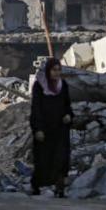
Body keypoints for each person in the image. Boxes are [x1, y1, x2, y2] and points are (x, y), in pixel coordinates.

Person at [30, 57, 73, 198]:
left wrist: (68, 115)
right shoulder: (39, 86)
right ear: (48, 71)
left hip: (60, 129)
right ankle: (36, 186)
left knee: (60, 158)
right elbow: (36, 108)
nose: (56, 73)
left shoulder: (63, 85)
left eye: (59, 70)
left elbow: (67, 105)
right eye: (54, 70)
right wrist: (38, 128)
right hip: (44, 129)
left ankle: (59, 187)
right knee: (43, 159)